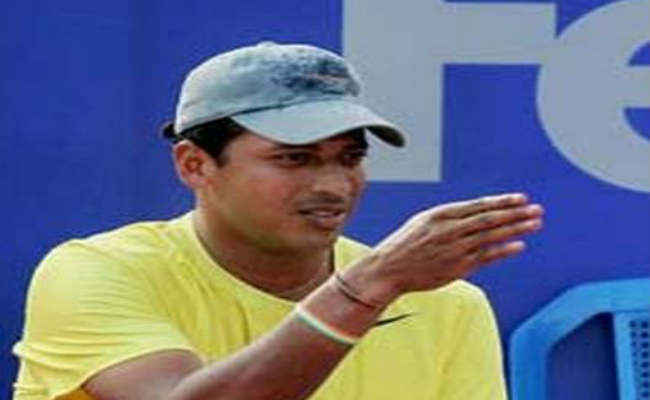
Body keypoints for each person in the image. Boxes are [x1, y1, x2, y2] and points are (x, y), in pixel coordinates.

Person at [12, 41, 544, 400]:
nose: (333, 185)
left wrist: (374, 284)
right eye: (294, 158)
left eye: (350, 158)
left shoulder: (448, 305)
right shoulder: (96, 271)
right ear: (194, 165)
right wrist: (367, 289)